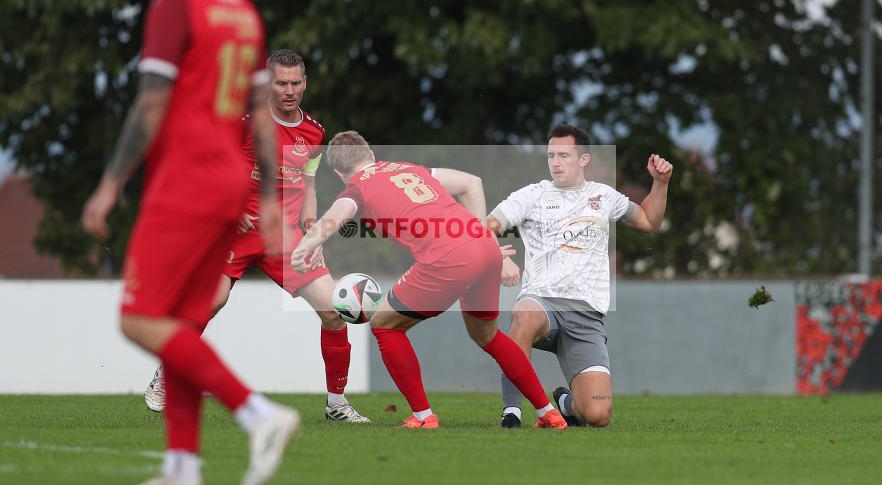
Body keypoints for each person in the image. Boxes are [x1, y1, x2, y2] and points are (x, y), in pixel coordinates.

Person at [81, 0, 298, 485]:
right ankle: (183, 465)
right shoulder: (245, 13)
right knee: (179, 322)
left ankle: (257, 413)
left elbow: (151, 102)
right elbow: (261, 112)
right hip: (232, 183)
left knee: (137, 318)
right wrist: (271, 198)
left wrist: (110, 183)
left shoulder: (174, 7)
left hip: (186, 182)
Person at [143, 49, 370, 424]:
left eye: (296, 83)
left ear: (305, 83)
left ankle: (337, 405)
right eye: (281, 83)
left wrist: (311, 219)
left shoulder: (314, 131)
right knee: (210, 302)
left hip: (287, 237)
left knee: (333, 313)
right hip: (238, 230)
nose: (289, 90)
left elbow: (309, 181)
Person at [290, 131, 568, 429]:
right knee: (487, 335)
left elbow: (338, 213)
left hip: (447, 257)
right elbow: (471, 183)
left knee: (384, 325)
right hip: (485, 248)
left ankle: (424, 417)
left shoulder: (357, 187)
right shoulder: (410, 169)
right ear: (370, 155)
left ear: (338, 172)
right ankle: (547, 413)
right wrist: (481, 238)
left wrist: (306, 244)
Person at [487, 124, 673, 428]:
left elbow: (649, 221)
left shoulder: (603, 196)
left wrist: (661, 183)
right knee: (523, 315)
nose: (556, 162)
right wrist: (498, 257)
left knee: (597, 414)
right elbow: (488, 225)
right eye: (551, 155)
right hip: (542, 303)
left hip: (585, 317)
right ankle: (512, 413)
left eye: (564, 155)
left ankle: (565, 404)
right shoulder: (532, 195)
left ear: (584, 159)